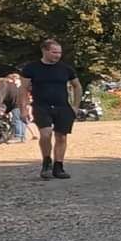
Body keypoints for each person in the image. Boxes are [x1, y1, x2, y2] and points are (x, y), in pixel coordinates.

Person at [18, 39, 81, 179]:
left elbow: (77, 86)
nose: (58, 55)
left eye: (59, 53)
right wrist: (23, 109)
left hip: (62, 106)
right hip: (41, 106)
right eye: (54, 52)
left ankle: (59, 166)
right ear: (44, 51)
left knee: (61, 136)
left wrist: (76, 106)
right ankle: (47, 162)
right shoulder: (31, 68)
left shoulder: (66, 69)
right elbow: (23, 89)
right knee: (46, 134)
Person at [0, 74, 25, 142]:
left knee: (16, 120)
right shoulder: (16, 86)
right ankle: (22, 137)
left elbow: (5, 96)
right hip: (22, 104)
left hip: (16, 105)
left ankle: (17, 136)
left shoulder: (6, 84)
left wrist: (0, 104)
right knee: (21, 120)